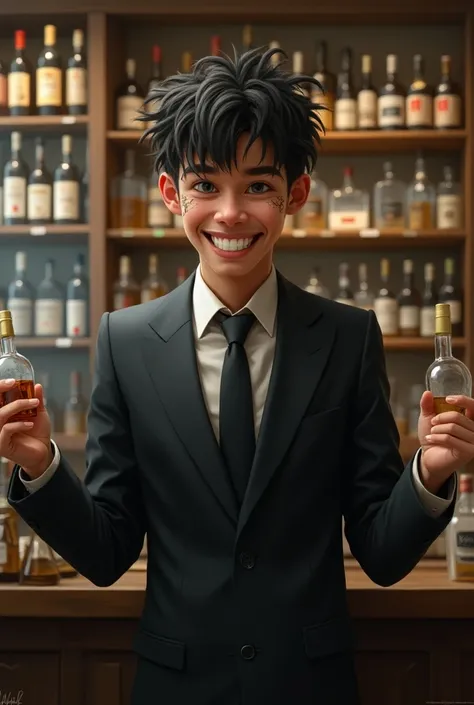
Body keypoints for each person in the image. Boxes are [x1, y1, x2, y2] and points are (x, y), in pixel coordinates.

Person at [2, 46, 474, 705]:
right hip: (175, 685)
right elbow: (109, 549)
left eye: (257, 185)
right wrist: (39, 465)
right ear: (171, 193)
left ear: (296, 194)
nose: (230, 212)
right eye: (205, 185)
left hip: (312, 685)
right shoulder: (126, 341)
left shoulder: (346, 336)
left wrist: (431, 469)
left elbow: (380, 550)